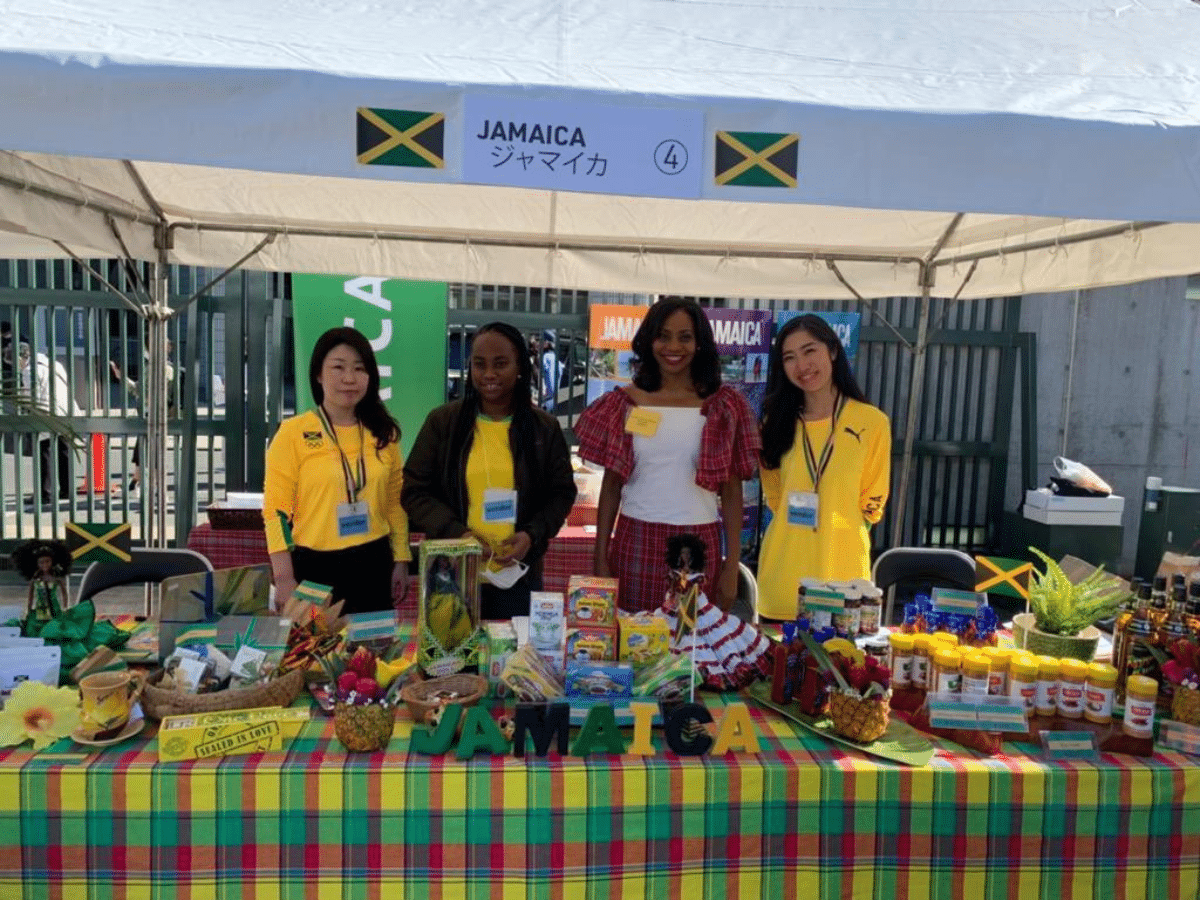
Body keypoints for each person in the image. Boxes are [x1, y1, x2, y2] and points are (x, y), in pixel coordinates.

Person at [574, 297, 760, 613]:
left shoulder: (722, 405)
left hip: (699, 543)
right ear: (649, 340)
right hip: (636, 540)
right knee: (636, 642)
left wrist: (732, 566)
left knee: (694, 647)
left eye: (685, 337)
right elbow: (612, 485)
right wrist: (600, 555)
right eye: (663, 335)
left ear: (700, 343)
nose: (673, 346)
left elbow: (731, 490)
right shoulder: (625, 403)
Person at [402, 321, 577, 620]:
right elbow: (414, 490)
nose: (489, 375)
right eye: (479, 364)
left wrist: (531, 536)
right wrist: (459, 535)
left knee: (513, 665)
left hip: (517, 576)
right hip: (451, 576)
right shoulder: (443, 422)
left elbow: (561, 494)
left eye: (500, 364)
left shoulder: (542, 428)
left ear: (519, 366)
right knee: (451, 664)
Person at [263, 326, 410, 615]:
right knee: (317, 658)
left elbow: (395, 504)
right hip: (314, 568)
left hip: (374, 563)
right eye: (338, 367)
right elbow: (275, 511)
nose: (349, 378)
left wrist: (402, 560)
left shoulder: (383, 433)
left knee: (373, 656)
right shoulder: (294, 433)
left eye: (359, 368)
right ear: (318, 374)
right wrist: (283, 577)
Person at [756, 314, 891, 621]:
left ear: (832, 350)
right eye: (790, 357)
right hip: (782, 583)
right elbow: (776, 500)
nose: (802, 366)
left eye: (809, 351)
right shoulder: (774, 424)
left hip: (844, 588)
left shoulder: (872, 423)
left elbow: (873, 504)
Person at [110, 335, 176, 493]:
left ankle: (155, 487)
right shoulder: (154, 366)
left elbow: (149, 392)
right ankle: (138, 481)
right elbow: (140, 389)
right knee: (145, 448)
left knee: (154, 451)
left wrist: (126, 381)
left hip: (157, 414)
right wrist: (121, 378)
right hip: (153, 414)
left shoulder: (161, 368)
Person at [18, 340, 81, 504]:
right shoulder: (54, 364)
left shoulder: (30, 371)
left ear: (21, 358)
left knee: (44, 451)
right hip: (66, 409)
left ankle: (45, 493)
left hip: (46, 412)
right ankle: (67, 490)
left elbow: (31, 396)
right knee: (64, 449)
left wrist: (26, 411)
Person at [12, 538, 73, 622]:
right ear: (37, 564)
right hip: (40, 611)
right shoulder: (35, 579)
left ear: (52, 561)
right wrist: (29, 610)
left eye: (47, 561)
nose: (45, 564)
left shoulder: (57, 578)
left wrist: (65, 608)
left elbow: (64, 593)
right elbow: (30, 596)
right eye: (41, 562)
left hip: (55, 610)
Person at [540, 332, 562, 412]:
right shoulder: (553, 357)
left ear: (547, 343)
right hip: (550, 398)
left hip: (547, 399)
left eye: (541, 340)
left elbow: (551, 379)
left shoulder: (547, 357)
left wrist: (548, 394)